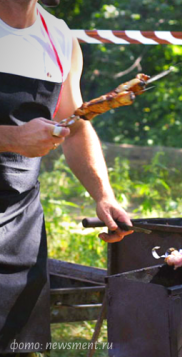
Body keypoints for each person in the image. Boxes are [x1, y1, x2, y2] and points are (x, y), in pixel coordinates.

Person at [0, 0, 133, 355]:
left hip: (18, 223)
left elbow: (73, 126)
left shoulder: (58, 37)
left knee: (16, 346)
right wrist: (10, 138)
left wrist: (103, 195)